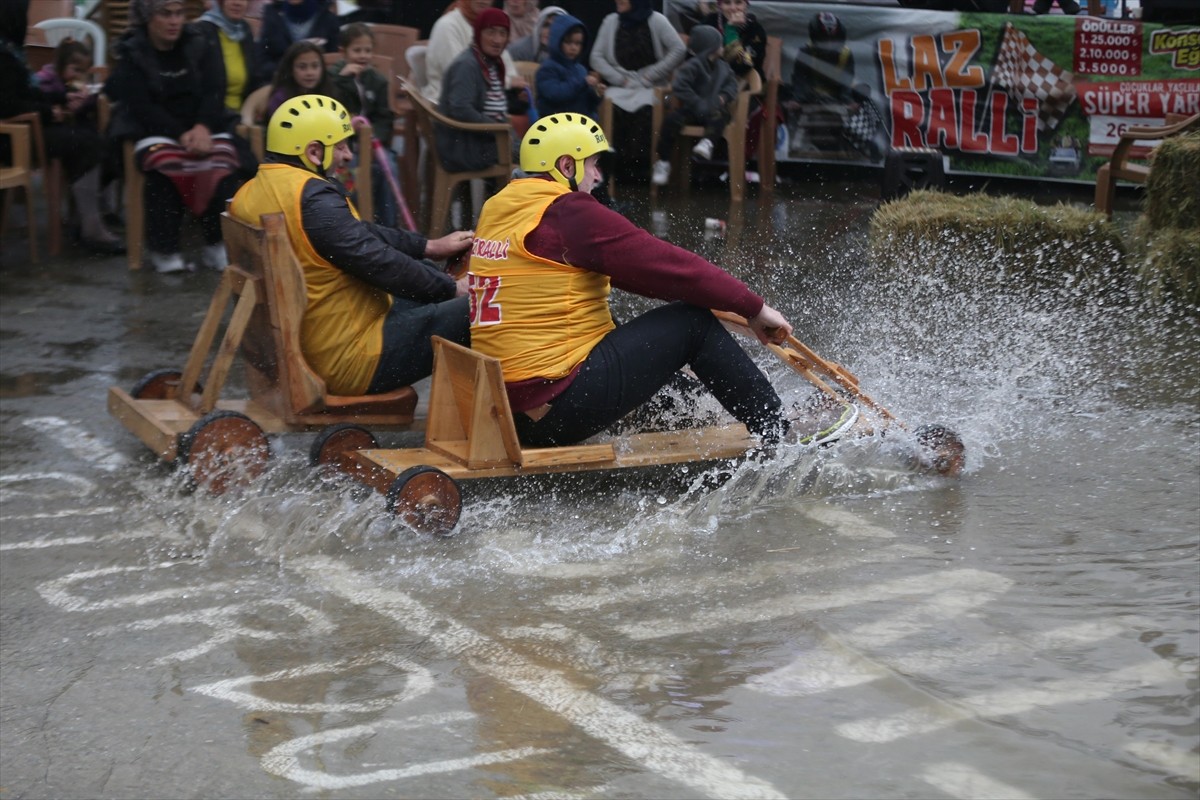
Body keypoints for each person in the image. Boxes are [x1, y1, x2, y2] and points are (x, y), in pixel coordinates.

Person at [467, 112, 821, 449]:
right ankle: (780, 431)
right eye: (593, 164)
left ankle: (702, 409)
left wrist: (714, 298)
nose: (597, 176)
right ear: (566, 166)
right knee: (691, 323)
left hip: (510, 410)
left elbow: (643, 277)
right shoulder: (567, 213)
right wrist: (754, 308)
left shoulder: (499, 206)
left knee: (619, 326)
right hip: (554, 411)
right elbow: (669, 267)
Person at [229, 94, 474, 396]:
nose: (347, 156)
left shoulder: (253, 191)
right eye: (341, 146)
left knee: (426, 273)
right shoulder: (312, 199)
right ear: (314, 151)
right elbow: (376, 261)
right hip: (347, 359)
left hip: (309, 343)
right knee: (486, 307)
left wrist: (428, 247)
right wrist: (452, 289)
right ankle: (498, 411)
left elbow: (359, 234)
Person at [105, 0, 254, 273]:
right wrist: (181, 134)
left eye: (179, 13)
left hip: (203, 126)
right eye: (165, 14)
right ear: (148, 18)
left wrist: (202, 127)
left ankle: (217, 244)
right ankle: (165, 250)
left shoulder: (199, 43)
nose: (174, 21)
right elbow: (141, 106)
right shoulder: (133, 51)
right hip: (155, 129)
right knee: (165, 167)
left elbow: (214, 90)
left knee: (222, 164)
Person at [17, 35, 124, 254]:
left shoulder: (73, 84)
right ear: (60, 64)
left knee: (105, 142)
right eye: (75, 70)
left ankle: (97, 210)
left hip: (70, 131)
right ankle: (88, 222)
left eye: (83, 71)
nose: (78, 76)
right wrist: (62, 104)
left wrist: (84, 102)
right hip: (47, 136)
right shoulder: (45, 81)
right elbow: (44, 104)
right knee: (90, 145)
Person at [589, 0, 686, 179]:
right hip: (621, 86)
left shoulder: (657, 20)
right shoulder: (610, 21)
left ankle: (642, 171)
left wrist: (652, 74)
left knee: (647, 111)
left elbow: (679, 49)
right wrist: (619, 78)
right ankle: (614, 172)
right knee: (611, 108)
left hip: (652, 86)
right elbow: (596, 56)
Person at [328, 22, 397, 226]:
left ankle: (389, 226)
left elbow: (385, 117)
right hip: (344, 146)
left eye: (367, 50)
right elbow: (331, 108)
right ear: (343, 52)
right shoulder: (333, 78)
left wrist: (374, 138)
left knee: (389, 168)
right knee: (351, 174)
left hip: (373, 143)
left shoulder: (378, 81)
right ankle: (353, 224)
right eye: (357, 50)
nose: (363, 56)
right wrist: (343, 80)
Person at [651, 24, 736, 187]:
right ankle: (663, 161)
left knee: (721, 117)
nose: (722, 47)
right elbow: (680, 86)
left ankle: (707, 142)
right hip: (692, 109)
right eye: (719, 44)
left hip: (714, 108)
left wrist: (724, 97)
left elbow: (732, 85)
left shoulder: (724, 67)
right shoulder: (692, 66)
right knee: (671, 121)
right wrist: (697, 102)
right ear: (710, 47)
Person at [437, 8, 514, 174]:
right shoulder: (467, 65)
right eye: (491, 32)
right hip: (467, 148)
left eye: (503, 33)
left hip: (485, 140)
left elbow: (491, 103)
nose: (497, 40)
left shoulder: (490, 63)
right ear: (479, 33)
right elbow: (460, 108)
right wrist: (497, 129)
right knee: (537, 156)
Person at [423, 0, 527, 106]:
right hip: (450, 105)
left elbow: (508, 69)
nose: (483, 1)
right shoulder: (448, 25)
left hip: (488, 102)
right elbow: (460, 76)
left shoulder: (491, 26)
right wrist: (508, 83)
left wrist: (517, 89)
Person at [196, 0, 262, 114]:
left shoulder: (244, 29)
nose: (237, 3)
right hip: (212, 114)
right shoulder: (202, 31)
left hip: (243, 111)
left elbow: (255, 77)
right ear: (221, 2)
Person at [534, 13, 605, 120]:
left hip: (580, 123)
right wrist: (582, 83)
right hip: (556, 122)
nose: (573, 48)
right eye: (568, 42)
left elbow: (588, 105)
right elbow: (556, 94)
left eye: (578, 43)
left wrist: (596, 94)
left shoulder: (581, 70)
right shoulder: (547, 69)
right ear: (557, 41)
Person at [256, 0, 340, 85]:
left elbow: (334, 59)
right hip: (279, 83)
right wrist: (286, 72)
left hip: (317, 85)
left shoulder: (327, 18)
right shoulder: (272, 14)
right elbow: (262, 59)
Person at [265, 40, 336, 122]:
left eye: (315, 66)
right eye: (302, 67)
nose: (310, 73)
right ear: (291, 69)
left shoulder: (330, 93)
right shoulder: (280, 98)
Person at [700, 0, 766, 81]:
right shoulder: (709, 22)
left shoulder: (755, 30)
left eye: (738, 2)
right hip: (706, 79)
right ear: (720, 5)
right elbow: (695, 57)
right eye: (727, 3)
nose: (733, 8)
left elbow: (742, 66)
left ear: (746, 5)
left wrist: (730, 32)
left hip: (742, 83)